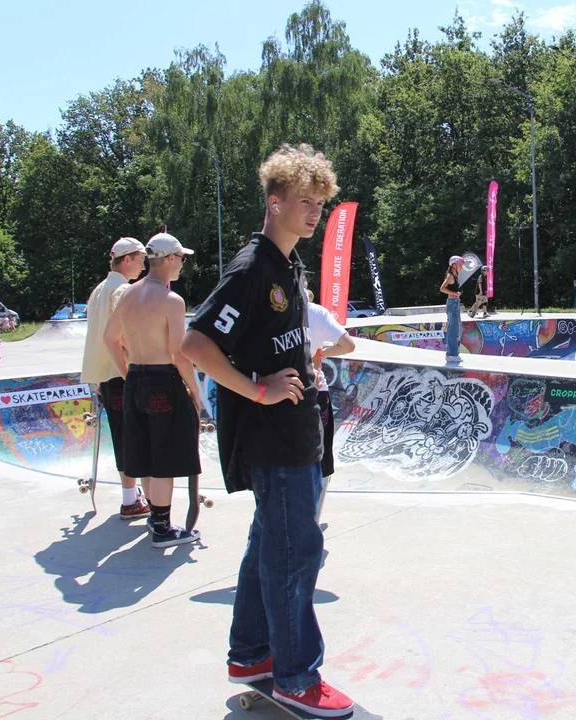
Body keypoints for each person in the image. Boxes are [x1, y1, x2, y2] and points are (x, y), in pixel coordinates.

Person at [180, 143, 355, 717]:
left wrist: (304, 362)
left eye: (320, 204)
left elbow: (273, 335)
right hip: (272, 437)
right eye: (304, 202)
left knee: (269, 545)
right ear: (274, 202)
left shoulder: (288, 264)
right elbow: (196, 344)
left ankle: (252, 655)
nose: (314, 213)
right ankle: (295, 677)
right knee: (294, 554)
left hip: (294, 431)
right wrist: (259, 388)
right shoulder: (254, 267)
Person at [103, 232, 201, 548]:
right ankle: (161, 526)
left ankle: (155, 518)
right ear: (170, 259)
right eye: (181, 259)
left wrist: (126, 372)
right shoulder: (172, 301)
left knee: (144, 451)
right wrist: (194, 389)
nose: (182, 265)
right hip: (164, 380)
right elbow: (178, 352)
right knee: (165, 457)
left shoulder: (128, 294)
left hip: (136, 379)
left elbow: (109, 338)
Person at [80, 238, 151, 520]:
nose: (144, 265)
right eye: (140, 259)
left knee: (122, 437)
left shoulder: (99, 290)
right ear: (126, 259)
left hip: (105, 375)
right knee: (135, 439)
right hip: (122, 373)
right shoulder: (121, 289)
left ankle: (131, 496)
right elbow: (125, 334)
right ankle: (131, 500)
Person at [306, 287, 356, 521]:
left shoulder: (272, 311)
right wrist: (319, 353)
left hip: (282, 391)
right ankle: (313, 517)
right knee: (322, 456)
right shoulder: (317, 313)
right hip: (317, 392)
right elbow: (348, 345)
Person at [440, 255, 465, 362]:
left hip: (455, 303)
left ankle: (453, 353)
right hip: (452, 303)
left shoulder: (455, 276)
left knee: (458, 330)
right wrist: (454, 293)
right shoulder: (450, 276)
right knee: (453, 330)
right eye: (460, 265)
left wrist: (456, 294)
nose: (461, 267)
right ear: (453, 265)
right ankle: (451, 355)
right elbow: (442, 289)